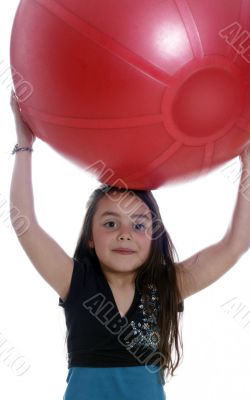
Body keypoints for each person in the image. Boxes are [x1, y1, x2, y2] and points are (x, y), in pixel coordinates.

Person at [9, 89, 250, 400]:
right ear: (91, 239)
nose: (125, 233)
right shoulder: (75, 280)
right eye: (110, 224)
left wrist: (247, 167)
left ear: (154, 235)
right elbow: (23, 222)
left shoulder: (167, 284)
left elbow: (236, 243)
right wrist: (24, 146)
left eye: (138, 225)